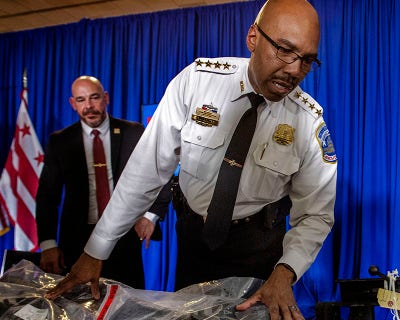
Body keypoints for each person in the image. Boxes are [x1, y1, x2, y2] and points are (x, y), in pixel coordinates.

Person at [45, 1, 337, 319]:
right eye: (284, 50)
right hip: (193, 243)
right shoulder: (197, 82)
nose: (294, 70)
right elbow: (147, 170)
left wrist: (285, 273)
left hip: (259, 252)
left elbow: (316, 215)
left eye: (306, 60)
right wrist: (96, 249)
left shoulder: (309, 122)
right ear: (253, 37)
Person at [36, 75, 171, 289]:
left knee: (127, 307)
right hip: (77, 243)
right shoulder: (60, 141)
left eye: (94, 97)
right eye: (81, 100)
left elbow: (159, 173)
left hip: (123, 238)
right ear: (73, 104)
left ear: (106, 98)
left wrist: (150, 215)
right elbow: (47, 196)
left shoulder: (133, 132)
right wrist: (48, 244)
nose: (88, 106)